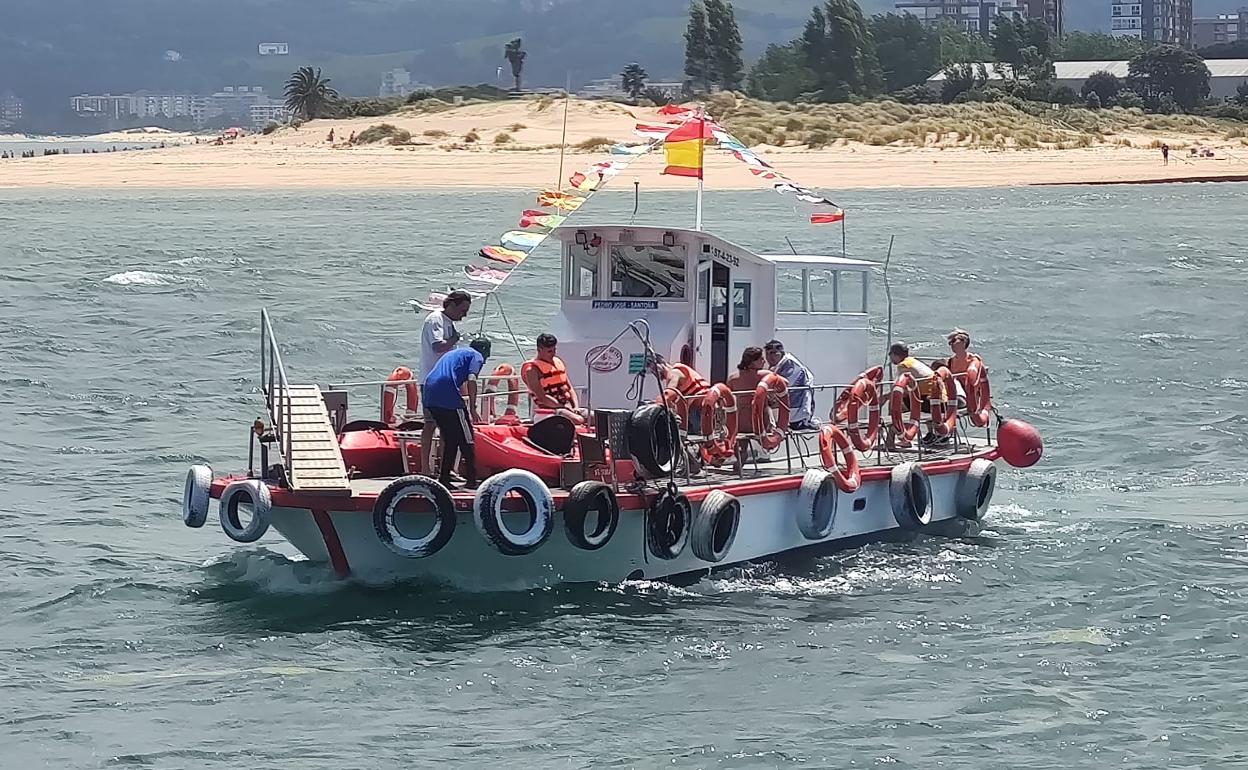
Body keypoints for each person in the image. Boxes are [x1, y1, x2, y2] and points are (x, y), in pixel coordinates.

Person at [423, 338, 491, 489]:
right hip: (447, 394)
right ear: (486, 351)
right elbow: (472, 379)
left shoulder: (457, 352)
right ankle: (472, 480)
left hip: (429, 392)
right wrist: (473, 407)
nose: (485, 361)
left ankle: (445, 477)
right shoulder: (477, 355)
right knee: (467, 438)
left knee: (451, 438)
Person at [419, 290, 472, 474]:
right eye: (462, 310)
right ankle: (425, 468)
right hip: (432, 381)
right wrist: (454, 339)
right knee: (430, 424)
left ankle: (446, 469)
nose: (464, 315)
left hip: (448, 383)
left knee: (447, 428)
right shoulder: (436, 320)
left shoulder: (449, 322)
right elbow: (438, 346)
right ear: (452, 305)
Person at [521, 333, 584, 424]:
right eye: (550, 351)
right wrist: (562, 407)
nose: (553, 353)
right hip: (549, 409)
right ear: (539, 350)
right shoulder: (531, 370)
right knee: (579, 420)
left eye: (554, 350)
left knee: (596, 418)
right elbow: (542, 397)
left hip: (568, 406)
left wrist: (576, 407)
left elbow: (570, 389)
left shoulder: (557, 362)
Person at [763, 339, 817, 430]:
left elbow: (787, 385)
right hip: (786, 404)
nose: (770, 357)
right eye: (767, 354)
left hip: (797, 403)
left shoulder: (790, 365)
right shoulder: (777, 365)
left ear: (781, 353)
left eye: (774, 353)